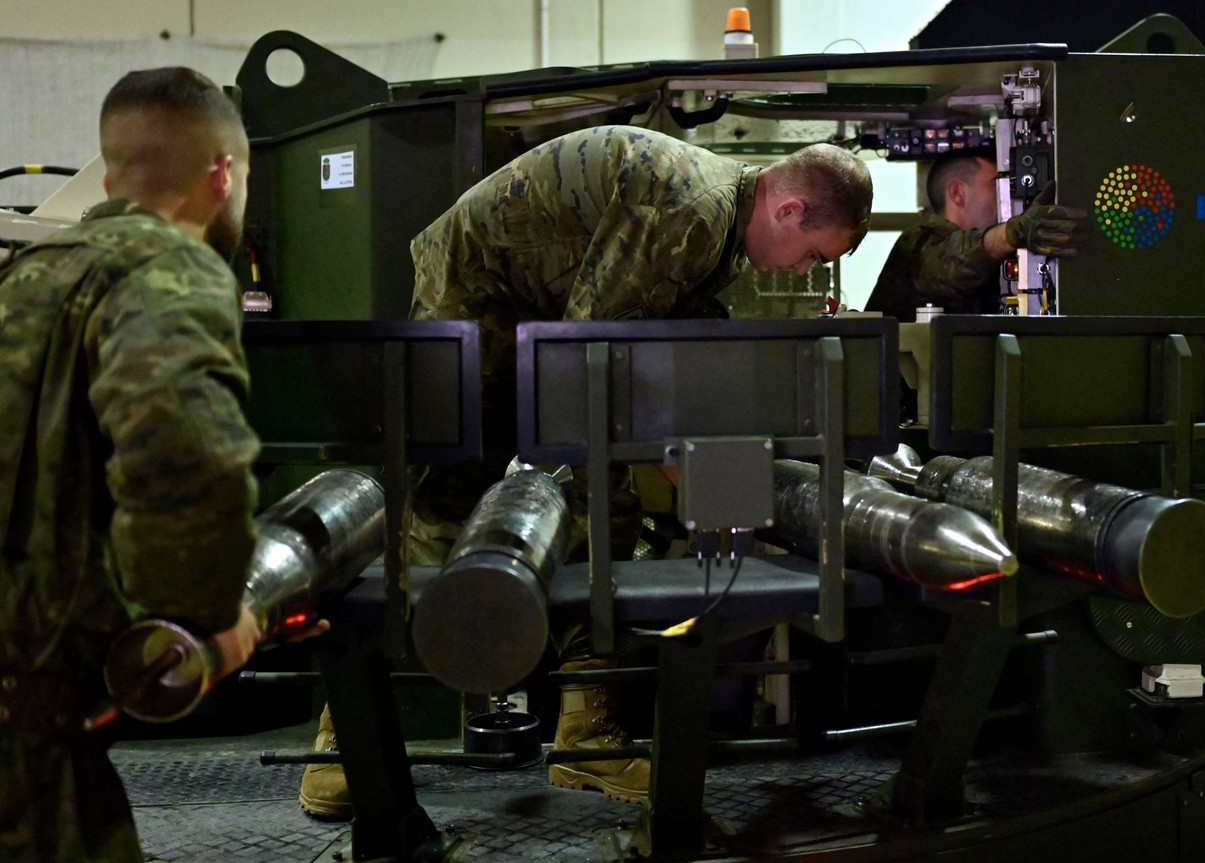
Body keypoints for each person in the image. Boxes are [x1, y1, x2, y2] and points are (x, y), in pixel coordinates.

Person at [296, 123, 874, 817]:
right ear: (787, 210)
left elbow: (654, 341)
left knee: (604, 506)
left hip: (536, 309)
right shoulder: (690, 209)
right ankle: (338, 749)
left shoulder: (719, 225)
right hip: (476, 297)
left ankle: (587, 738)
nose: (801, 272)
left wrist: (680, 446)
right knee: (444, 510)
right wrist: (649, 453)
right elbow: (590, 348)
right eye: (811, 254)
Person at [0, 68, 264, 863]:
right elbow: (183, 454)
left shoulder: (29, 270)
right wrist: (201, 620)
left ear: (110, 178)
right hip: (26, 730)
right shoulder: (170, 269)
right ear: (223, 174)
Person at [864, 149, 1086, 320]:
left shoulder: (990, 259)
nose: (1004, 199)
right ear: (957, 193)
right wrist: (1013, 232)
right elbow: (953, 263)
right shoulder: (917, 244)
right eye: (994, 187)